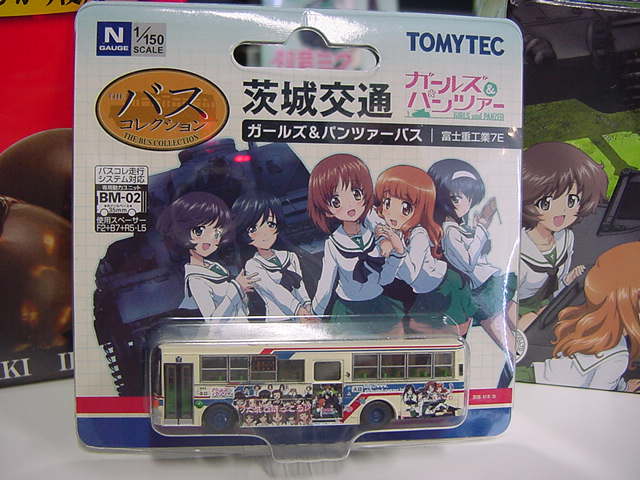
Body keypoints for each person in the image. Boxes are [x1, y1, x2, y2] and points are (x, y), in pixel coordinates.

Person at [428, 159, 517, 386]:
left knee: (516, 335)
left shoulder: (460, 227)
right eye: (457, 197)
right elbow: (467, 262)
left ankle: (503, 386)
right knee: (509, 348)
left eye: (469, 196)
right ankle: (497, 388)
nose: (467, 202)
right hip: (478, 293)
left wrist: (480, 226)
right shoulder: (449, 232)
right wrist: (483, 226)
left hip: (489, 285)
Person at [518, 242, 640, 392]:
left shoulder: (593, 321)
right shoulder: (619, 355)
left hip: (535, 374)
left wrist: (623, 387)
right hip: (542, 388)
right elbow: (598, 396)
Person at [308, 153, 406, 334]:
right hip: (348, 309)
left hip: (379, 303)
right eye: (336, 201)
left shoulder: (375, 233)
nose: (350, 205)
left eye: (356, 193)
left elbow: (386, 278)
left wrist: (395, 251)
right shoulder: (333, 244)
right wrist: (315, 313)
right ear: (326, 209)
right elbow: (326, 283)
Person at [374, 165, 476, 335]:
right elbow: (385, 279)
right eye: (387, 203)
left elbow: (411, 275)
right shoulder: (394, 233)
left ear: (422, 208)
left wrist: (398, 249)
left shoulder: (419, 234)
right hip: (423, 290)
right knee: (416, 327)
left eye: (405, 207)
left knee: (456, 330)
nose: (392, 213)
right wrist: (386, 244)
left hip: (445, 284)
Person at [519, 142, 607, 331]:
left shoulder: (566, 238)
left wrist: (567, 281)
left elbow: (556, 287)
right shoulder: (518, 246)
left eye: (572, 200)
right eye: (546, 202)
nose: (561, 211)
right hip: (518, 314)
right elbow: (502, 301)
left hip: (549, 309)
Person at [156, 191, 257, 319]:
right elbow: (213, 321)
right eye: (199, 231)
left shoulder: (215, 267)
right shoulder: (195, 280)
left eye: (217, 233)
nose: (209, 239)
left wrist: (242, 292)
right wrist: (237, 287)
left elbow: (239, 308)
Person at [232, 192, 312, 321]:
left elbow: (300, 286)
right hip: (279, 321)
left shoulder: (290, 256)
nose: (264, 234)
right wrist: (299, 310)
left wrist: (308, 306)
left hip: (301, 316)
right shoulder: (252, 265)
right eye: (253, 229)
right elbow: (274, 290)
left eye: (270, 224)